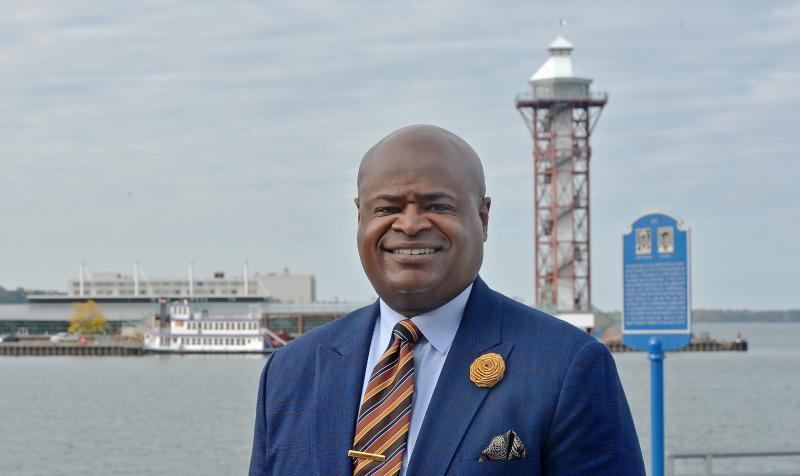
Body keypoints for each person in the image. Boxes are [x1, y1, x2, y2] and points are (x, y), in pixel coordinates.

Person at [249, 125, 644, 475]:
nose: (409, 224)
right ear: (360, 218)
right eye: (387, 208)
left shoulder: (566, 367)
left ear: (483, 218)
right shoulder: (290, 371)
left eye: (437, 206)